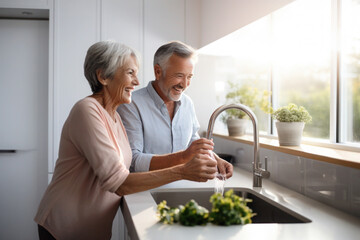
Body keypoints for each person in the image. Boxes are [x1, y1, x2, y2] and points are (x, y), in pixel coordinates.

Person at [34, 40, 218, 240]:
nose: (137, 81)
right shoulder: (86, 110)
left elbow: (125, 169)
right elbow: (119, 183)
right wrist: (183, 170)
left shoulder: (113, 115)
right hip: (65, 227)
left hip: (92, 228)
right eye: (130, 73)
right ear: (103, 76)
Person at [117, 41, 233, 177]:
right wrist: (183, 157)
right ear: (158, 71)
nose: (184, 84)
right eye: (179, 76)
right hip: (146, 191)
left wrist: (215, 159)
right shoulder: (131, 104)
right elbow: (133, 161)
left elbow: (192, 143)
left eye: (189, 77)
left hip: (183, 185)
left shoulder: (187, 103)